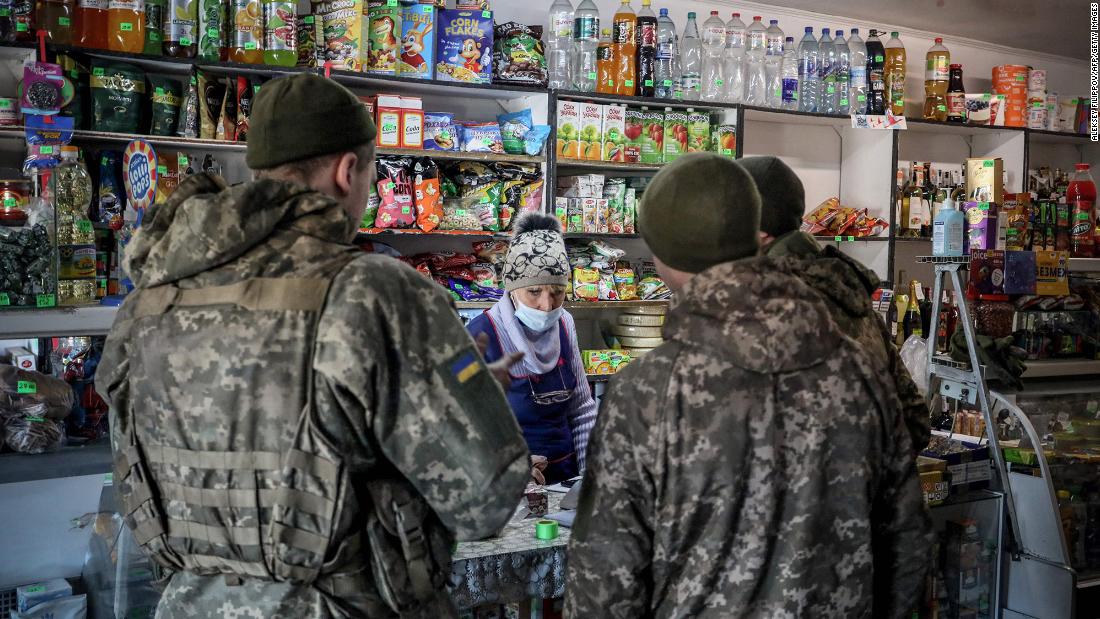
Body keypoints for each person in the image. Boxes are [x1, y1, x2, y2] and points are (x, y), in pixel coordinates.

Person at [97, 74, 530, 619]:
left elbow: (134, 470)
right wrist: (468, 396)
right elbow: (485, 501)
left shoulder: (149, 300)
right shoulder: (372, 291)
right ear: (348, 172)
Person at [565, 153, 932, 619]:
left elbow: (605, 584)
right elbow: (906, 545)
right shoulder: (855, 367)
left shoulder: (648, 390)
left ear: (661, 257)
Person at [740, 155, 931, 454]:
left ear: (759, 230)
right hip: (868, 494)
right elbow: (915, 424)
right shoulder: (845, 288)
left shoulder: (764, 302)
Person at [466, 213, 597, 485]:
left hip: (565, 478)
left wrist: (589, 480)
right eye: (534, 291)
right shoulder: (478, 335)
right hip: (506, 485)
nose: (547, 305)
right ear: (513, 289)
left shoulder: (564, 323)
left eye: (557, 292)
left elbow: (582, 410)